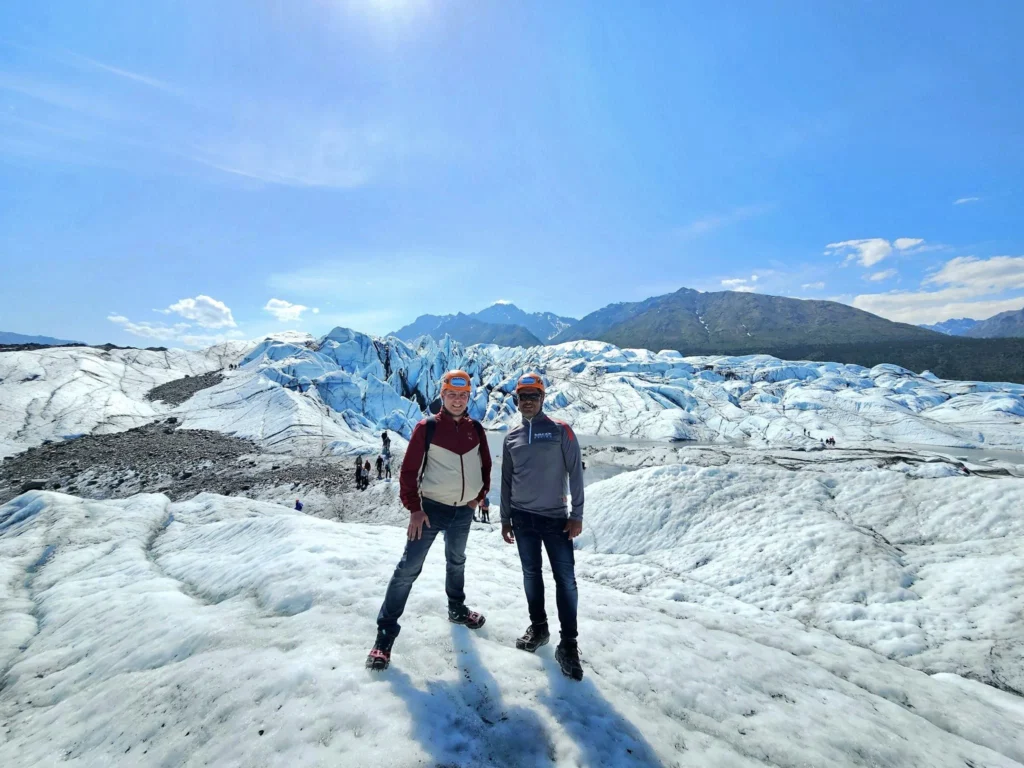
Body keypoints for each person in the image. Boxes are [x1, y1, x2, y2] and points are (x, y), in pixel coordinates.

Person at [366, 370, 492, 670]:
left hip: (464, 510)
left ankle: (457, 609)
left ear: (469, 396)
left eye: (463, 395)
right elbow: (408, 471)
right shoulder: (428, 428)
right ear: (442, 395)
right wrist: (415, 509)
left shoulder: (476, 429)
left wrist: (478, 496)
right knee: (408, 568)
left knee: (457, 560)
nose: (458, 400)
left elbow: (485, 465)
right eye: (452, 394)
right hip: (431, 510)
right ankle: (385, 635)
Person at [501, 373, 585, 681]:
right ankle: (539, 628)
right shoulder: (511, 437)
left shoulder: (561, 431)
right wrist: (505, 519)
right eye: (522, 397)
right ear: (517, 400)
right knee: (531, 575)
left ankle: (569, 644)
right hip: (522, 519)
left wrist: (577, 514)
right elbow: (507, 481)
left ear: (542, 398)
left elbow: (576, 472)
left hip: (555, 519)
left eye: (533, 396)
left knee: (566, 581)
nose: (527, 401)